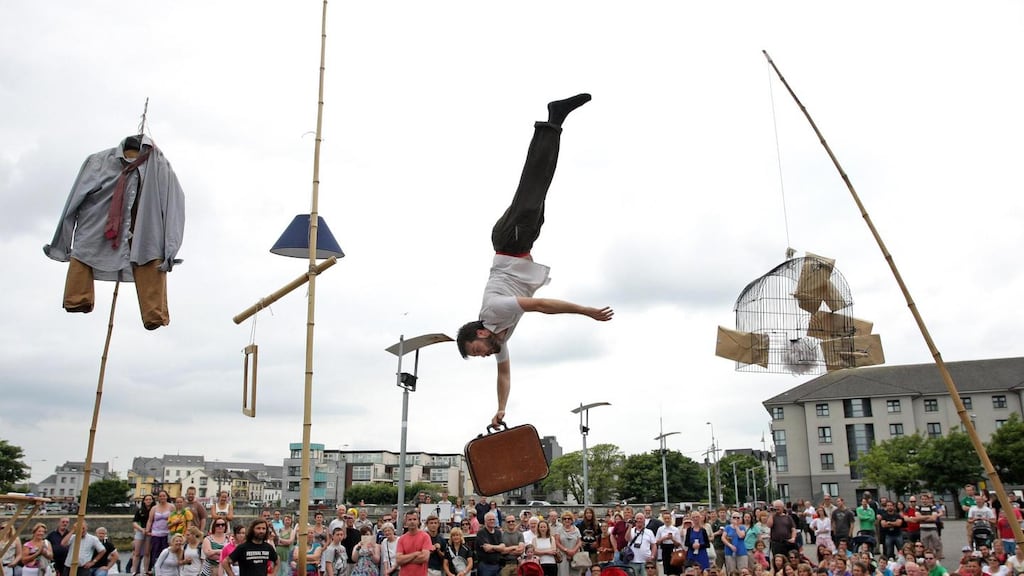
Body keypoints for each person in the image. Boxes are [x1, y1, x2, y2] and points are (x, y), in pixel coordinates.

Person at [455, 93, 614, 427]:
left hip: (509, 242)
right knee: (539, 183)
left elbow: (540, 305)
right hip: (519, 243)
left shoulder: (494, 312)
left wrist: (586, 311)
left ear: (480, 335)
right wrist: (501, 408)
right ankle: (554, 123)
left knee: (535, 181)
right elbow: (504, 375)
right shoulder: (501, 336)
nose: (482, 356)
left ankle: (553, 121)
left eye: (476, 351)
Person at [396, 511, 432, 576]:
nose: (412, 521)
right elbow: (398, 560)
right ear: (406, 522)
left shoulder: (425, 537)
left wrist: (405, 560)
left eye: (414, 519)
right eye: (409, 519)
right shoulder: (401, 539)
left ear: (418, 521)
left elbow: (424, 558)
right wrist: (415, 554)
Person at [147, 490, 176, 571]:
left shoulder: (171, 507)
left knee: (166, 552)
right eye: (160, 496)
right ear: (158, 498)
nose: (162, 497)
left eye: (164, 496)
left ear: (167, 497)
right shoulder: (154, 508)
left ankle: (165, 569)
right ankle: (154, 569)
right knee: (154, 552)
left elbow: (176, 519)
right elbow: (150, 520)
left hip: (167, 533)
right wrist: (147, 530)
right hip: (156, 533)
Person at [131, 494, 155, 576]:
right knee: (137, 552)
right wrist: (141, 529)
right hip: (140, 531)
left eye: (150, 499)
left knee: (147, 553)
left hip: (150, 532)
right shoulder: (140, 510)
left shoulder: (154, 510)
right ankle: (134, 570)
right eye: (147, 499)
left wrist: (149, 530)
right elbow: (134, 522)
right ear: (144, 501)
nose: (148, 501)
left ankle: (146, 570)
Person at [656, 510, 684, 576]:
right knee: (667, 571)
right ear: (663, 519)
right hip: (665, 550)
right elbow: (657, 542)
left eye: (668, 518)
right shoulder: (660, 529)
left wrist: (672, 539)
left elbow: (679, 544)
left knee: (676, 571)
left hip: (674, 550)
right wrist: (664, 538)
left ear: (671, 519)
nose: (667, 520)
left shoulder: (675, 529)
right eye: (665, 518)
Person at [724, 510, 750, 576]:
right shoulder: (727, 527)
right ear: (731, 518)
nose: (736, 519)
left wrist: (736, 527)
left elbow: (741, 535)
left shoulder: (742, 527)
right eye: (734, 517)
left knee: (742, 571)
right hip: (729, 552)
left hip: (741, 552)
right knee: (731, 571)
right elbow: (723, 538)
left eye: (738, 518)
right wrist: (730, 546)